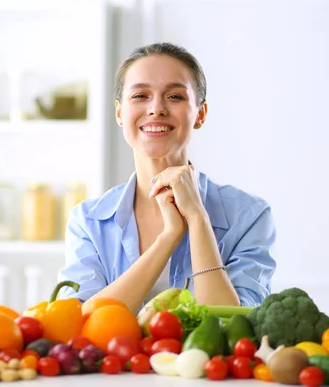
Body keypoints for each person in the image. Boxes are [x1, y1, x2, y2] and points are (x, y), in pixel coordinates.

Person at [57, 42, 276, 313]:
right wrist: (169, 237)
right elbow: (80, 323)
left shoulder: (249, 215)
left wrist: (197, 219)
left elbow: (235, 327)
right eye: (140, 96)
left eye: (175, 97)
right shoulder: (88, 221)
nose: (156, 108)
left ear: (201, 114)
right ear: (119, 113)